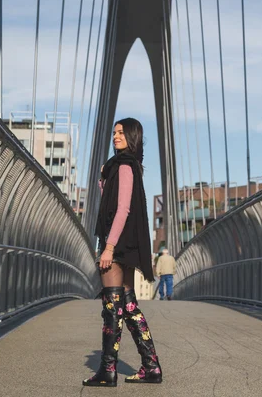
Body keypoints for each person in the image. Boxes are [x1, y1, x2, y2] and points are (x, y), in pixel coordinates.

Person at [83, 118, 162, 387]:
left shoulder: (125, 166)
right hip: (124, 244)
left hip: (117, 246)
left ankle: (107, 370)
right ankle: (151, 367)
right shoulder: (122, 166)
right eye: (114, 132)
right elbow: (115, 202)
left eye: (121, 133)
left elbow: (123, 209)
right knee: (127, 305)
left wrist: (108, 247)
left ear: (132, 137)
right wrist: (103, 181)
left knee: (111, 307)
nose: (115, 136)